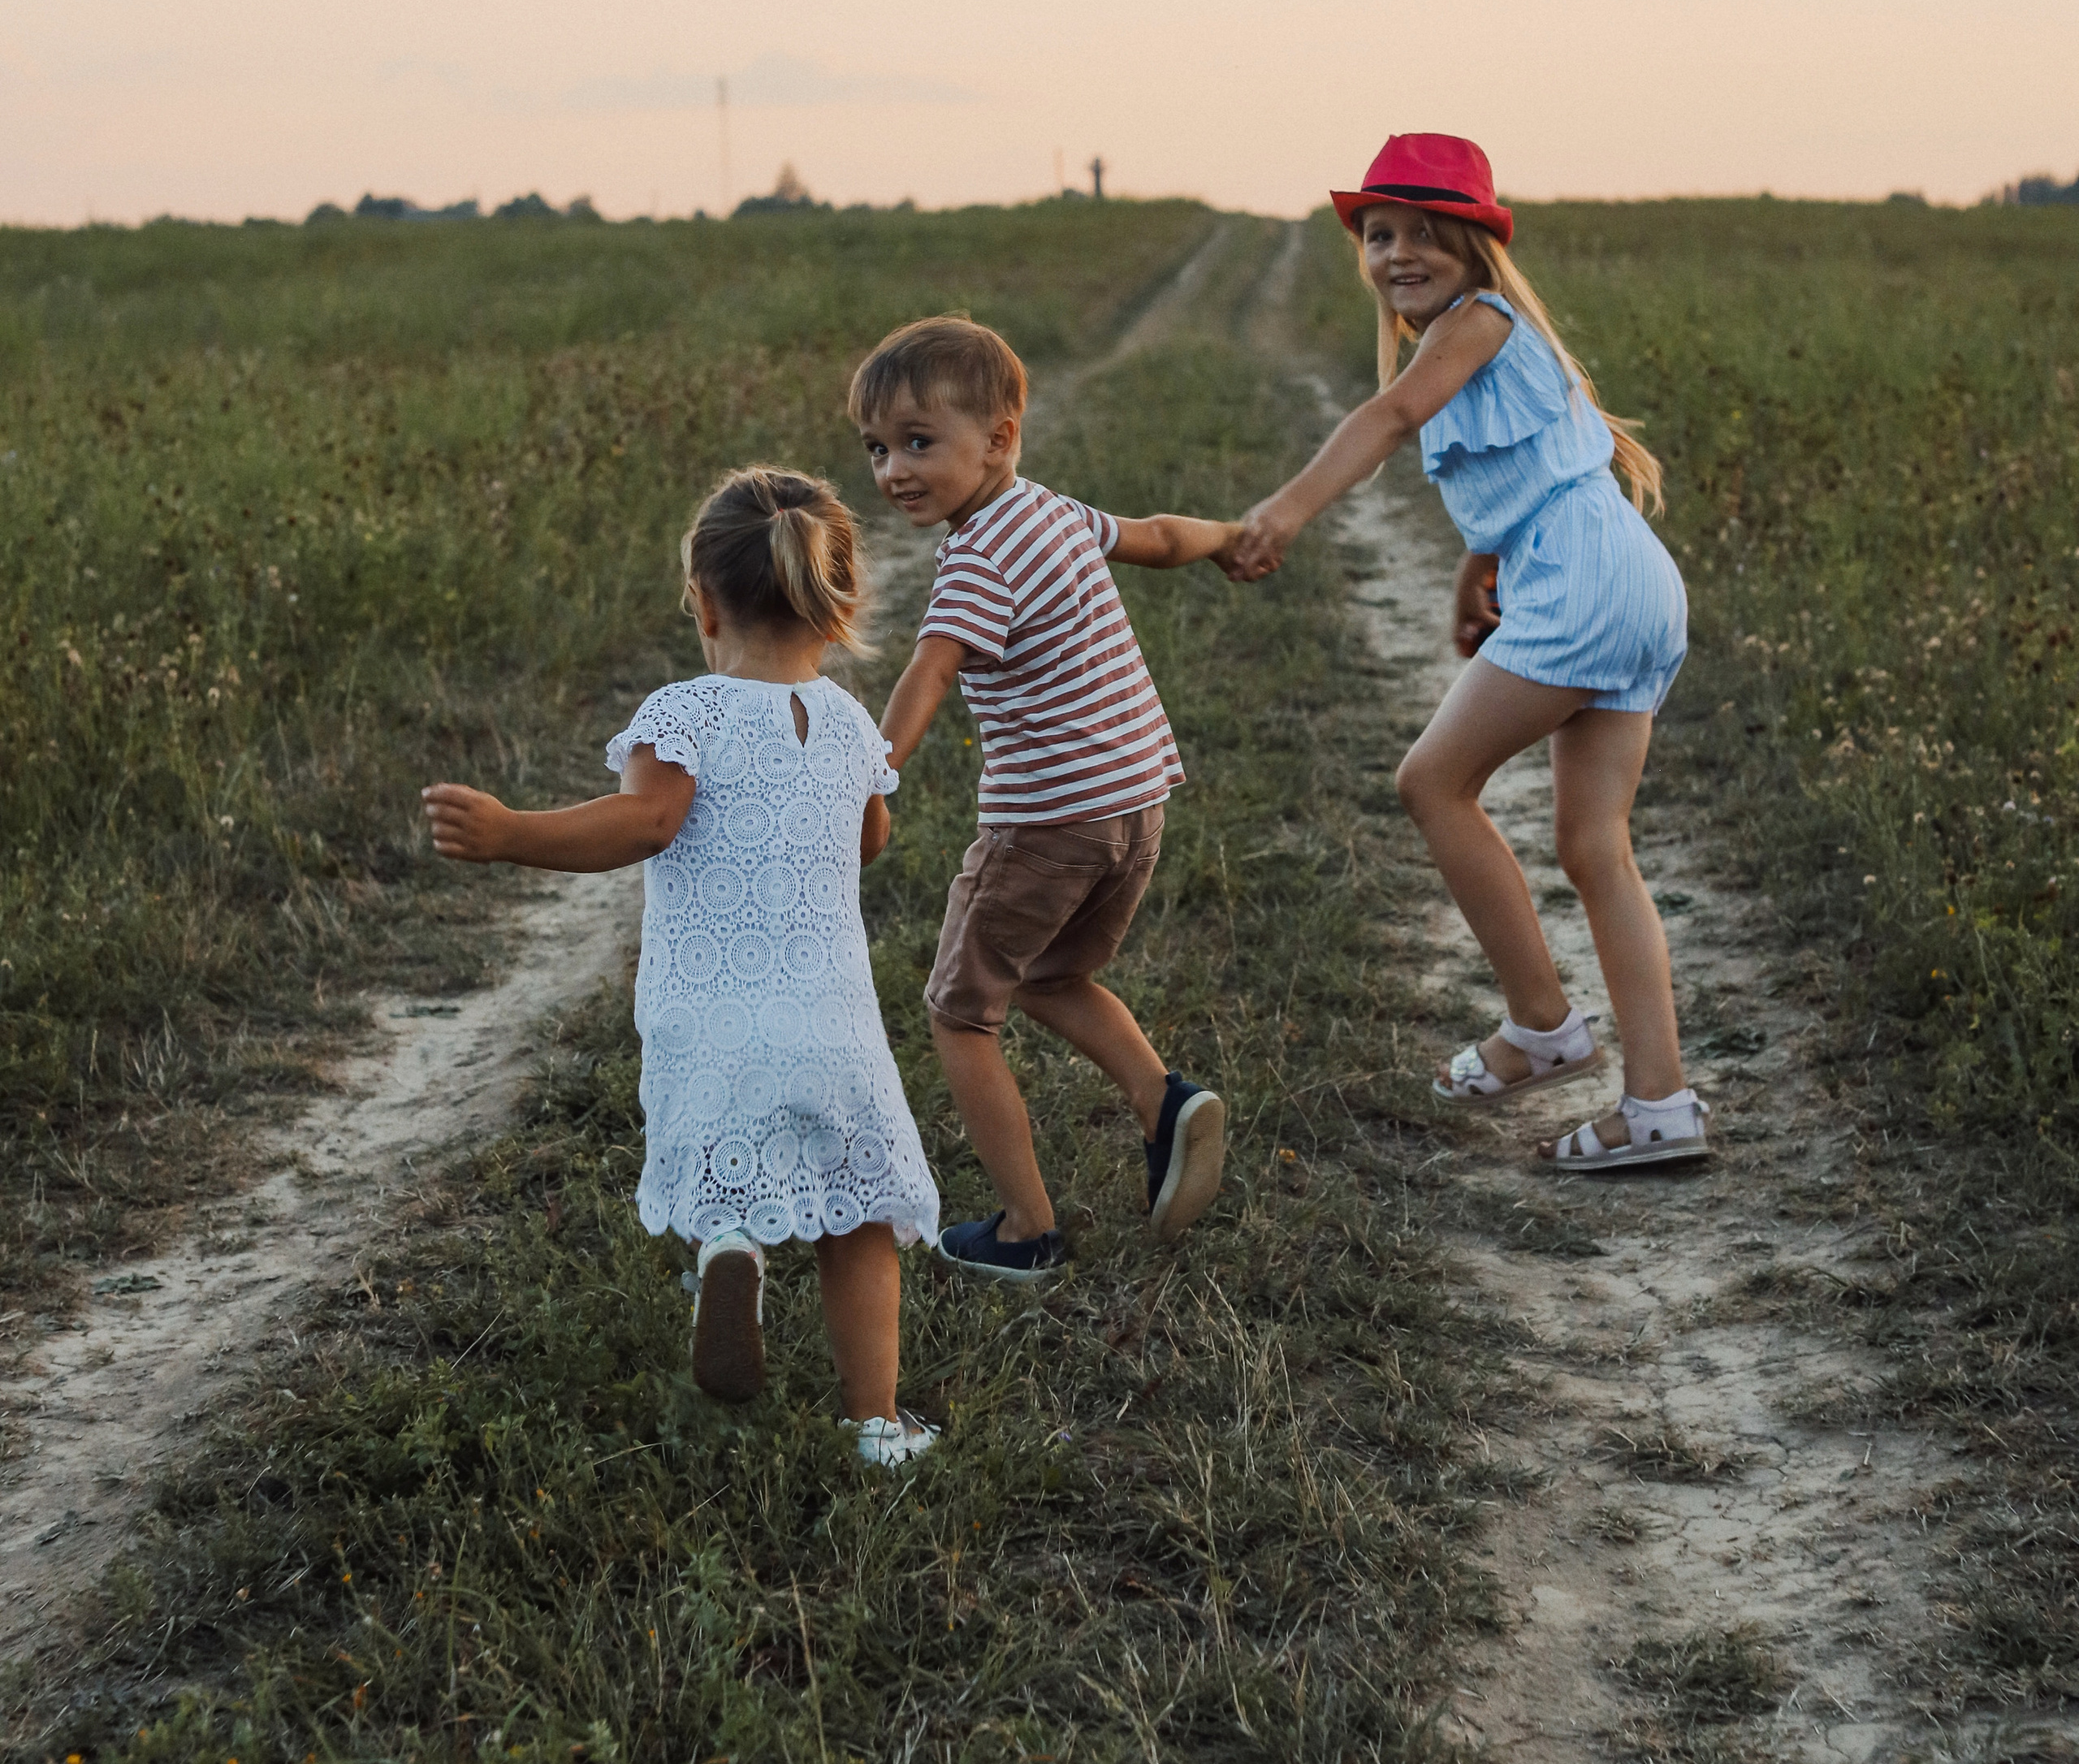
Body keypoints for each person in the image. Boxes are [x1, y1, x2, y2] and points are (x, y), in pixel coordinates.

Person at [421, 465, 942, 1464]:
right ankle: (876, 1424)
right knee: (860, 1217)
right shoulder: (847, 722)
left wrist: (512, 833)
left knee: (730, 1176)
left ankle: (731, 1253)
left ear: (701, 600)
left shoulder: (689, 713)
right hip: (835, 1022)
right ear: (837, 607)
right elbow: (868, 839)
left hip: (714, 1016)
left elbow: (645, 822)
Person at [1230, 133, 1705, 1172]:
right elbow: (1525, 478)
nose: (1397, 253)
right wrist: (1471, 573)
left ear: (1475, 244)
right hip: (1623, 578)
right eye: (1378, 235)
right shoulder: (1479, 334)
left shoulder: (1479, 320)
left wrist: (1287, 510)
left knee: (1432, 782)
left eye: (1423, 234)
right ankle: (1659, 1103)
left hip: (1584, 583)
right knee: (1593, 846)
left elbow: (1395, 416)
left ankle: (1542, 1022)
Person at [851, 315, 1238, 1281]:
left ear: (1000, 439)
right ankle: (1162, 1102)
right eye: (876, 449)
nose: (893, 470)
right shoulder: (1055, 513)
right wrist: (1226, 538)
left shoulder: (976, 556)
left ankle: (1025, 1230)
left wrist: (869, 774)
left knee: (959, 1013)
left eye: (917, 441)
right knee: (1051, 974)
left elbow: (932, 669)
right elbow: (1154, 537)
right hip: (1134, 806)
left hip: (1046, 823)